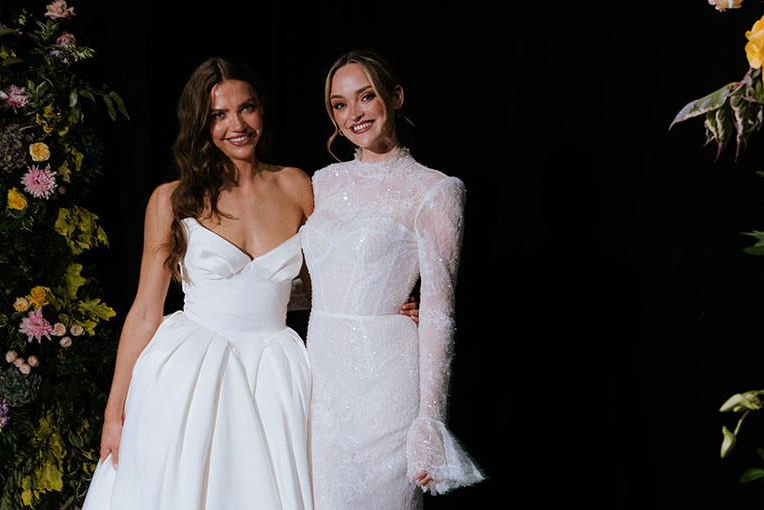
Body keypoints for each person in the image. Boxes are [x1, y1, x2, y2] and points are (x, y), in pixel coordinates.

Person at [81, 57, 316, 510]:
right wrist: (114, 414)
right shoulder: (171, 199)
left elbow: (326, 286)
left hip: (277, 372)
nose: (237, 124)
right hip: (192, 374)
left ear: (261, 110)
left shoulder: (296, 186)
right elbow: (147, 310)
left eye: (246, 108)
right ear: (199, 123)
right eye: (218, 115)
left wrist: (393, 304)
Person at [301, 49, 484, 509]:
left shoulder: (436, 189)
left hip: (386, 386)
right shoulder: (322, 182)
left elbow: (440, 312)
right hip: (318, 384)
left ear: (395, 97)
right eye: (340, 104)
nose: (354, 113)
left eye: (366, 97)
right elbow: (308, 283)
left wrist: (430, 423)